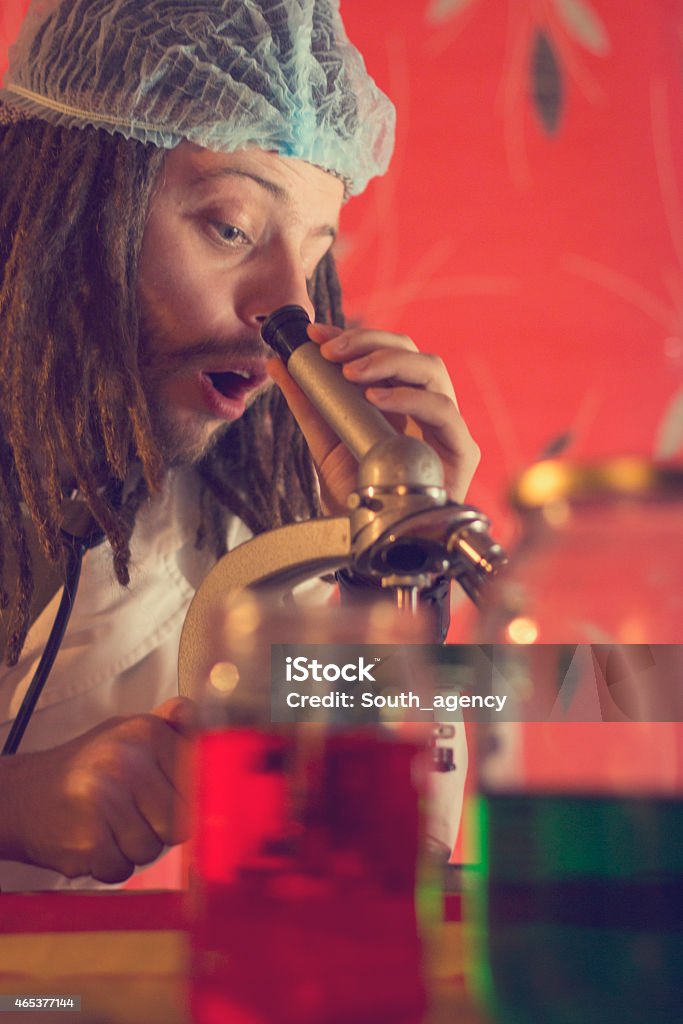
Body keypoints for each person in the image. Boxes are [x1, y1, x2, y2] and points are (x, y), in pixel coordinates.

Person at [0, 0, 479, 890]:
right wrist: (13, 806)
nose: (282, 308)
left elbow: (374, 876)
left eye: (311, 253)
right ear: (70, 195)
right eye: (230, 227)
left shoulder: (238, 528)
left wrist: (388, 565)